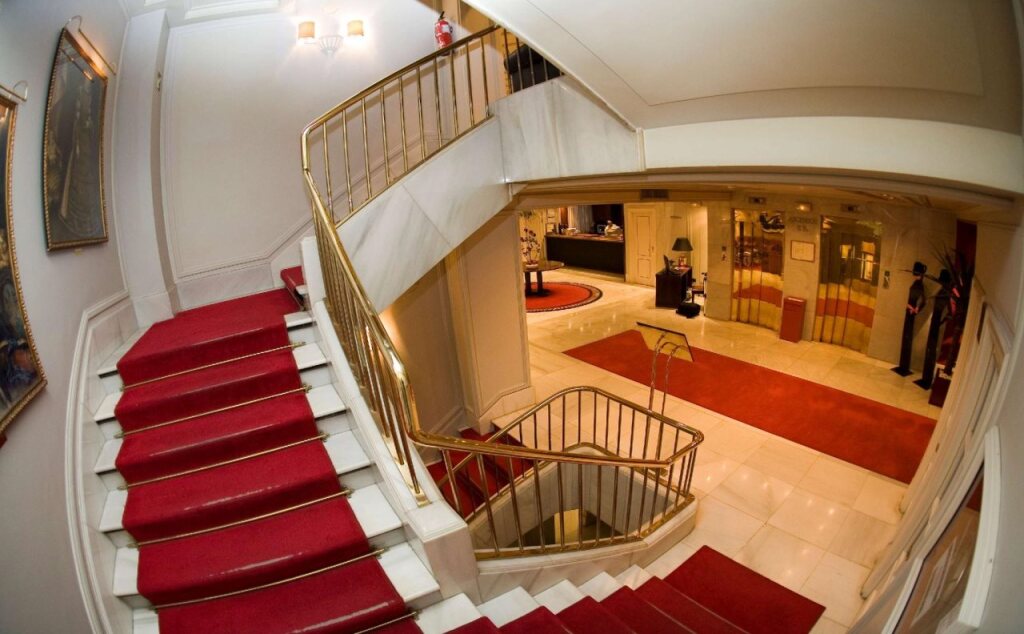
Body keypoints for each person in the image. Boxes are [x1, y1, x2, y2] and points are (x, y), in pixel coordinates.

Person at [893, 261, 927, 376]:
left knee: (907, 336)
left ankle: (904, 366)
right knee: (906, 336)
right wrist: (915, 308)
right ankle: (903, 365)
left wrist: (915, 309)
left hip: (910, 312)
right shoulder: (917, 283)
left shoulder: (919, 284)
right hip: (909, 311)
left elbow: (923, 300)